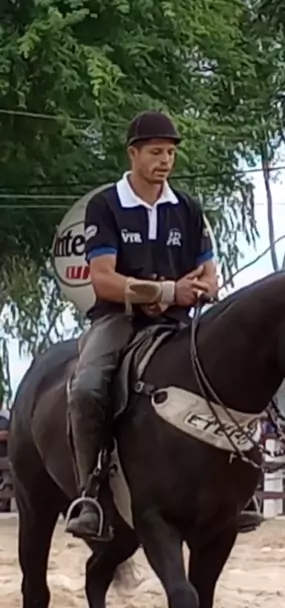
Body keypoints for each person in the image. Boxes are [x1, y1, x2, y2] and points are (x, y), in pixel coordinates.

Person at [66, 110, 217, 539]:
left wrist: (196, 290)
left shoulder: (187, 208)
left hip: (177, 322)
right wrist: (168, 290)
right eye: (155, 152)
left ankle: (235, 488)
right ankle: (90, 494)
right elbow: (103, 280)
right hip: (118, 320)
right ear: (133, 154)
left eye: (170, 152)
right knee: (87, 389)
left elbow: (210, 277)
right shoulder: (106, 205)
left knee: (226, 372)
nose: (165, 160)